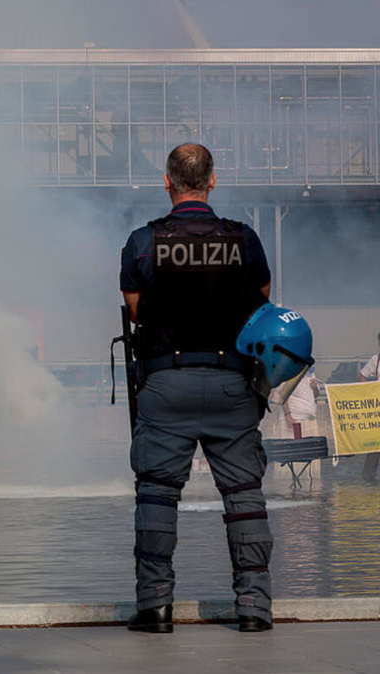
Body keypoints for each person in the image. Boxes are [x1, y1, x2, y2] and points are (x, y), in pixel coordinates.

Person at [119, 144, 274, 633]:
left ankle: (156, 608)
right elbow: (263, 302)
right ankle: (253, 609)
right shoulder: (243, 239)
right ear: (212, 181)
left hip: (167, 381)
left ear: (167, 182)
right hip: (232, 382)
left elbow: (137, 309)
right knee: (244, 494)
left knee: (157, 496)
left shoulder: (143, 241)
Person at [358, 332, 380, 483]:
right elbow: (361, 376)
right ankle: (368, 477)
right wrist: (368, 392)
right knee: (376, 442)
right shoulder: (376, 359)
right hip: (378, 408)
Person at [281, 367, 320, 439]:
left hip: (310, 418)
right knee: (293, 446)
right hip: (295, 418)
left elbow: (316, 395)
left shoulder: (310, 373)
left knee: (311, 446)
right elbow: (283, 396)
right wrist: (288, 416)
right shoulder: (288, 373)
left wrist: (315, 388)